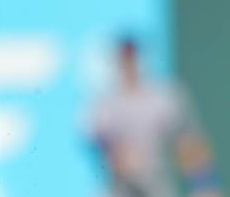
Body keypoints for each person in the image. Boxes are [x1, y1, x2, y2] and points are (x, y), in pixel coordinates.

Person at [91, 38, 222, 197]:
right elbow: (103, 147)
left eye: (132, 57)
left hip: (158, 186)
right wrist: (120, 158)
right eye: (124, 58)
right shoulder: (104, 103)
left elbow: (189, 144)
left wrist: (204, 185)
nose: (129, 63)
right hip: (120, 189)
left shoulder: (164, 97)